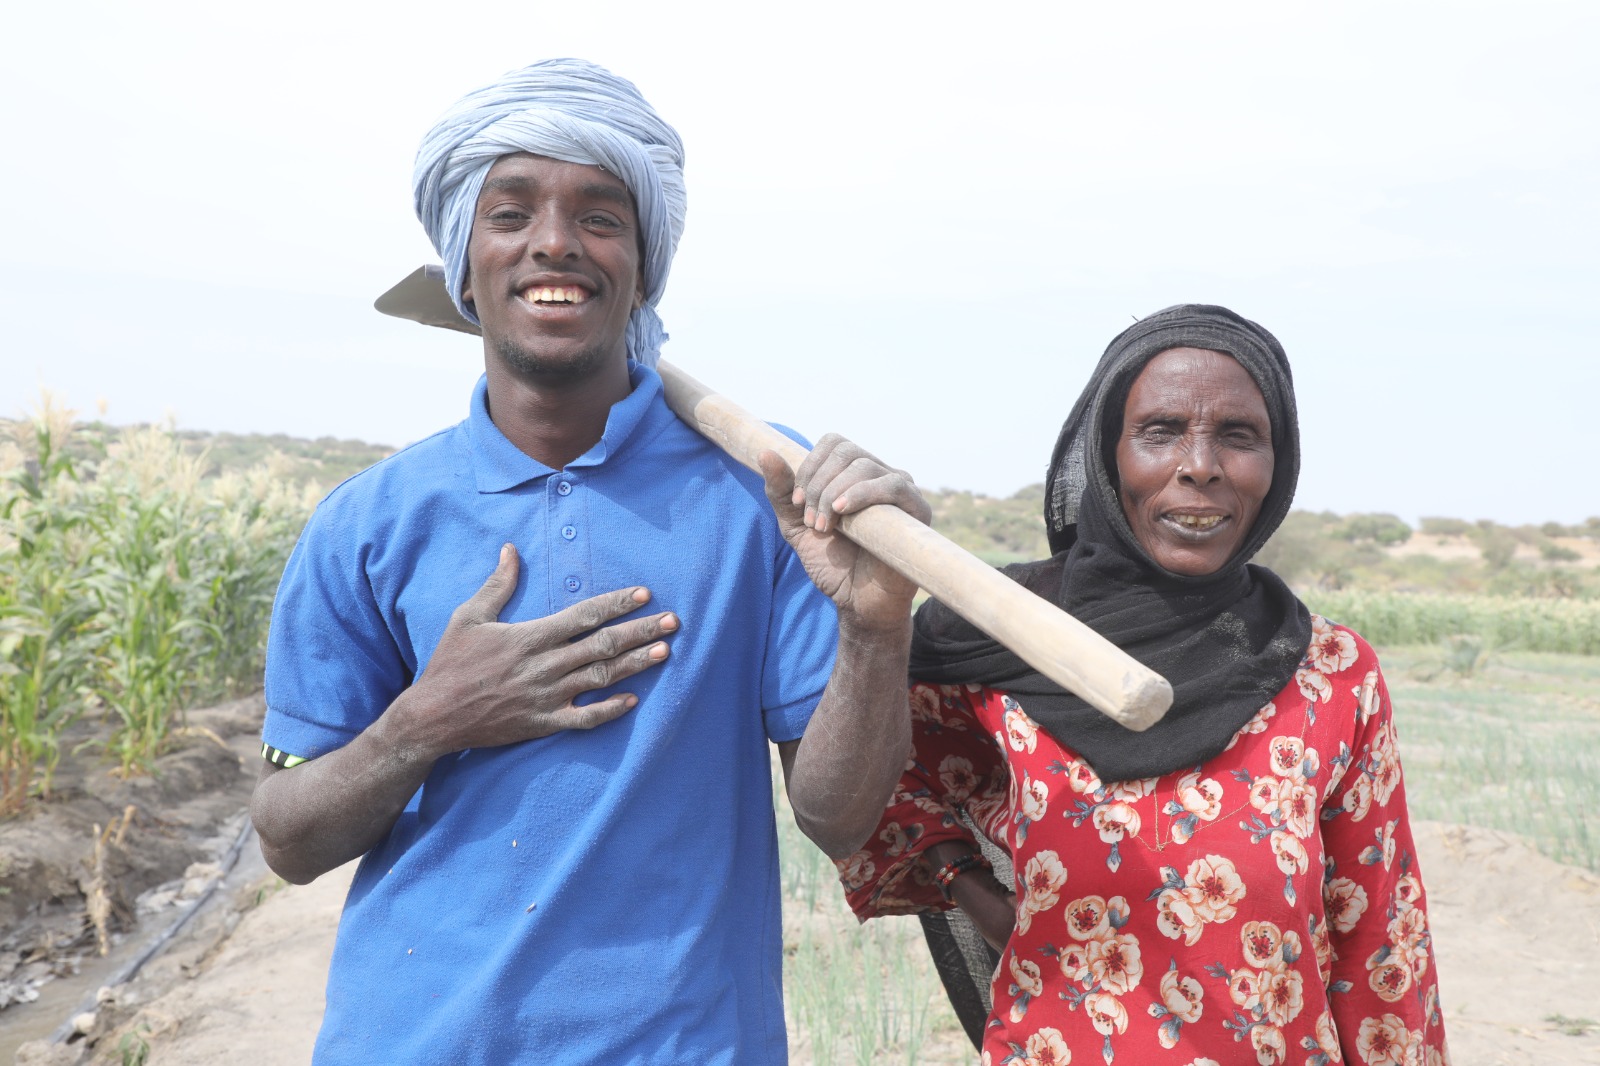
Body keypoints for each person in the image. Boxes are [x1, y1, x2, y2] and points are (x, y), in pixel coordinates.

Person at [248, 59, 923, 1065]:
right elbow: (287, 839)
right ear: (461, 266)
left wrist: (874, 624)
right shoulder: (368, 523)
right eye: (510, 213)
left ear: (643, 269)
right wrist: (427, 722)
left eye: (601, 217)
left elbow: (839, 818)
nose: (556, 241)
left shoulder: (768, 496)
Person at [799, 305, 1450, 1065]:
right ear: (1108, 456)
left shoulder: (1331, 672)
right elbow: (869, 796)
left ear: (1280, 463)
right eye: (1161, 431)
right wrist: (967, 884)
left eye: (1239, 435)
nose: (1200, 464)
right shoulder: (998, 636)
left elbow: (1380, 937)